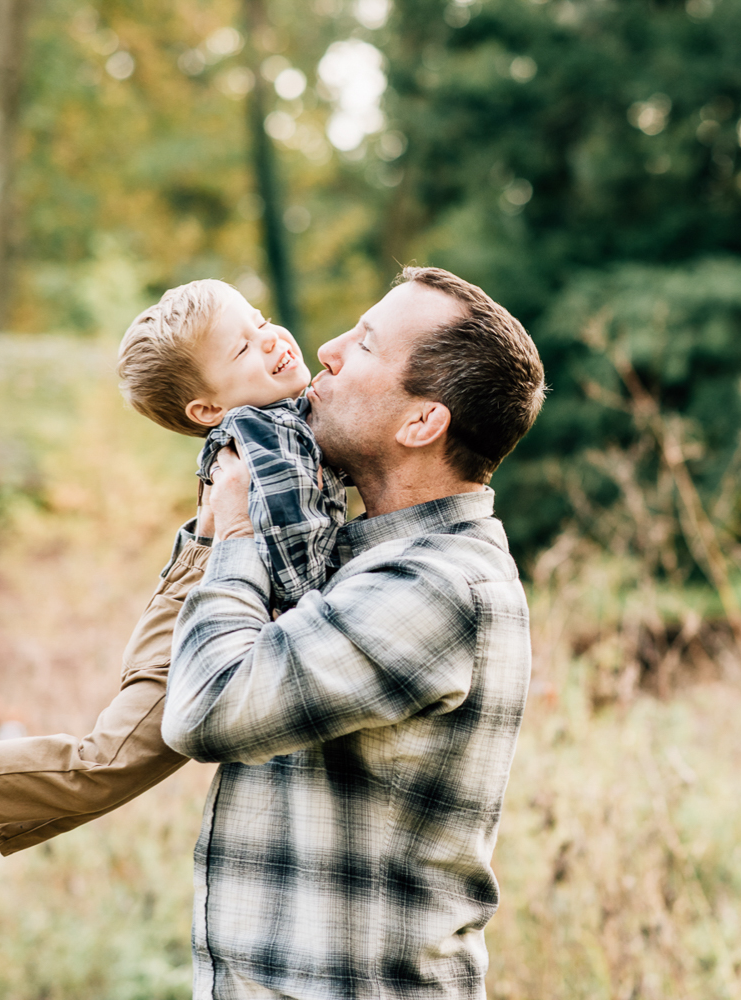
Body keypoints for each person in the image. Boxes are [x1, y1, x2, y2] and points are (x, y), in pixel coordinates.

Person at [0, 278, 344, 889]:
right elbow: (300, 553)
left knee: (114, 768)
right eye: (244, 349)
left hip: (195, 591)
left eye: (260, 322)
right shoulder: (263, 438)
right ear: (206, 411)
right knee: (110, 763)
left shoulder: (282, 420)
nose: (272, 340)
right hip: (199, 610)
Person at [163, 266, 545, 999]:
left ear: (421, 423)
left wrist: (237, 530)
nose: (327, 350)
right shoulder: (336, 549)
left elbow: (206, 710)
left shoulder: (439, 585)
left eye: (366, 344)